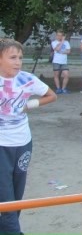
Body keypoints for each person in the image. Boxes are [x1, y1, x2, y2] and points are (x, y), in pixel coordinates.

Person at [0, 39, 57, 234]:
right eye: (12, 57)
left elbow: (51, 95)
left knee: (16, 195)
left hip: (23, 143)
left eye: (20, 58)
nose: (17, 62)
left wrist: (29, 105)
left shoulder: (27, 79)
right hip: (1, 145)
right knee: (5, 196)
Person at [51, 29, 71, 94]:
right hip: (56, 61)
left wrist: (62, 51)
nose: (59, 37)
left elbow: (68, 51)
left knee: (66, 75)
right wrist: (62, 42)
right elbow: (57, 49)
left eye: (60, 35)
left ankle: (63, 88)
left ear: (63, 36)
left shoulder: (66, 42)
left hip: (64, 61)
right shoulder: (54, 42)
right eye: (58, 35)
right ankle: (58, 88)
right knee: (56, 74)